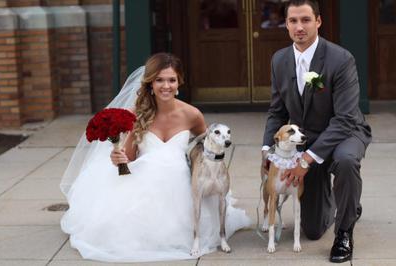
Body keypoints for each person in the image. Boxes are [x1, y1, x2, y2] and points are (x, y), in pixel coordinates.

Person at [60, 53, 250, 263]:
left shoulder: (192, 114)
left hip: (181, 184)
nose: (166, 86)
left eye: (171, 80)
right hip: (144, 181)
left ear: (179, 83)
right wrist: (119, 157)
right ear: (150, 83)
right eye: (159, 80)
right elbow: (129, 157)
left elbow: (208, 149)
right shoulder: (135, 114)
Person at [261, 0, 371, 263]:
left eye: (306, 20)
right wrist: (267, 150)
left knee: (345, 162)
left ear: (318, 22)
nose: (299, 27)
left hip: (346, 133)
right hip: (306, 136)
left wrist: (306, 159)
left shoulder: (341, 59)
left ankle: (344, 231)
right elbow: (277, 111)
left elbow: (345, 118)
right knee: (311, 230)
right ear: (286, 24)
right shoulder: (279, 60)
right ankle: (347, 202)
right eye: (293, 21)